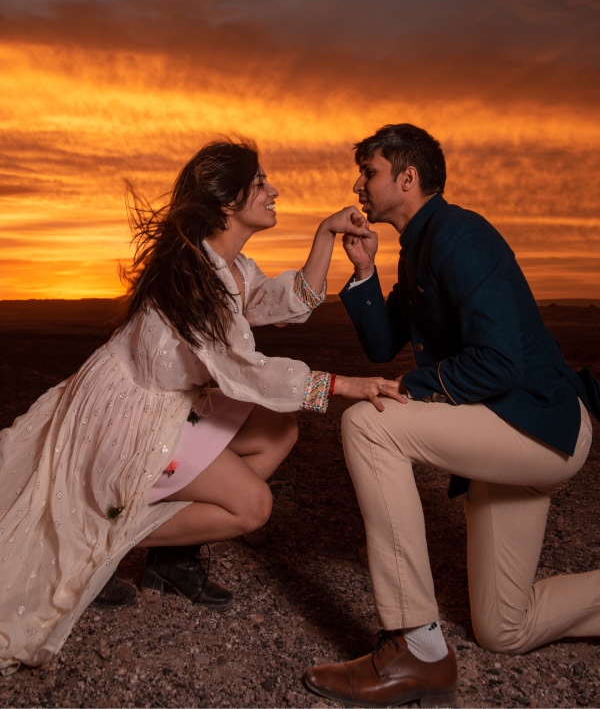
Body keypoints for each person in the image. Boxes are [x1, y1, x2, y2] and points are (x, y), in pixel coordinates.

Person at [0, 138, 403, 676]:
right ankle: (110, 540)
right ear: (226, 204)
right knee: (253, 506)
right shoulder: (194, 280)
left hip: (168, 405)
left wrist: (326, 234)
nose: (274, 189)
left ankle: (171, 558)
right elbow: (243, 369)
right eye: (260, 183)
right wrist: (343, 385)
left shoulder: (230, 268)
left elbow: (293, 303)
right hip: (129, 421)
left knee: (278, 433)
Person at [304, 123, 600, 708]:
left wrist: (404, 389)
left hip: (536, 424)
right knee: (503, 628)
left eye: (371, 172)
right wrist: (365, 271)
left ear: (408, 178)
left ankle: (416, 644)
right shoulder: (419, 247)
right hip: (505, 434)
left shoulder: (458, 235)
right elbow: (383, 342)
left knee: (368, 423)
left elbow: (497, 363)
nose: (358, 184)